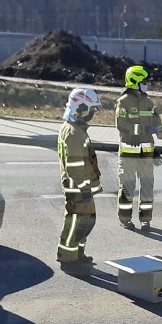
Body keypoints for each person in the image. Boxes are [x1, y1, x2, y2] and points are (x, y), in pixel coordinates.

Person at [57, 88, 103, 275]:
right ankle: (68, 258)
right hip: (77, 189)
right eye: (92, 109)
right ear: (81, 109)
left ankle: (78, 253)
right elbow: (74, 166)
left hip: (81, 187)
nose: (93, 114)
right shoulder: (73, 132)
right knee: (76, 222)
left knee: (86, 221)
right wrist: (85, 188)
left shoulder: (76, 128)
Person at [115, 64, 162, 232]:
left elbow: (156, 121)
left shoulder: (148, 101)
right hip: (129, 153)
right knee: (128, 189)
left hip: (146, 154)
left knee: (147, 188)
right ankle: (124, 218)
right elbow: (121, 125)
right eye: (144, 81)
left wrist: (160, 131)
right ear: (135, 81)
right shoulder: (123, 102)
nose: (147, 84)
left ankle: (145, 220)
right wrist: (144, 130)